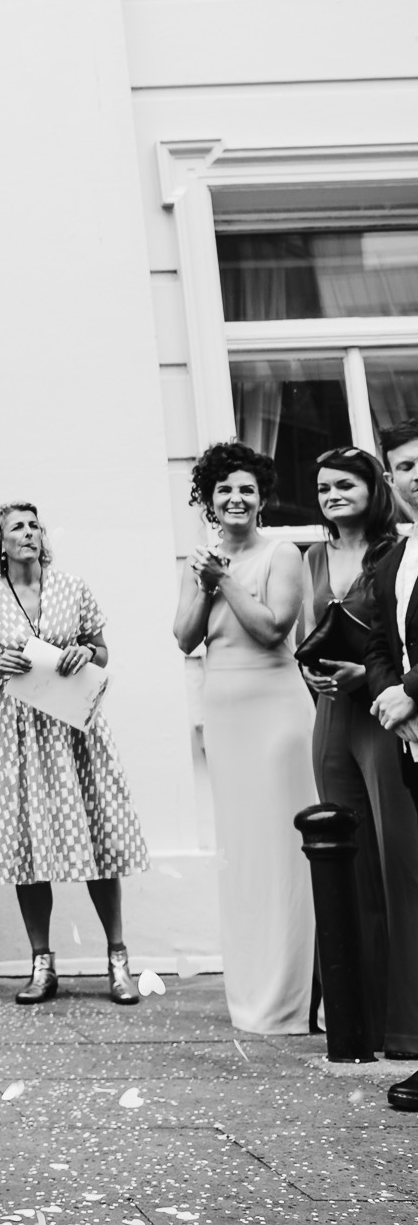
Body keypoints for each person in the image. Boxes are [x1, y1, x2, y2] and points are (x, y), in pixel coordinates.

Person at [0, 502, 149, 1006]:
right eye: (16, 527)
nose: (28, 533)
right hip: (17, 733)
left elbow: (103, 651)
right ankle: (42, 964)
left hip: (75, 731)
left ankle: (118, 959)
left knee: (96, 840)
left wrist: (87, 652)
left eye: (33, 525)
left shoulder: (72, 587)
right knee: (29, 849)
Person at [172, 440, 316, 1037]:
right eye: (224, 489)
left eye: (247, 490)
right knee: (244, 855)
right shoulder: (198, 562)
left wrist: (222, 578)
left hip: (277, 713)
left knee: (284, 851)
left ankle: (295, 999)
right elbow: (184, 637)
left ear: (261, 500)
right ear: (208, 500)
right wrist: (205, 582)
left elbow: (271, 628)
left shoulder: (282, 554)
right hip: (226, 715)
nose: (236, 498)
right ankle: (253, 994)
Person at [299, 446, 418, 1060]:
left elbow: (395, 639)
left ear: (375, 486)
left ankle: (406, 1023)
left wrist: (366, 679)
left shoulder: (398, 551)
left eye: (345, 483)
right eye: (322, 488)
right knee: (344, 860)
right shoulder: (312, 556)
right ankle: (358, 1020)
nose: (332, 495)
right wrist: (315, 678)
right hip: (330, 715)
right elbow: (303, 636)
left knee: (397, 858)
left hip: (381, 710)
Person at [362, 420, 418, 1111]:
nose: (413, 474)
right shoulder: (393, 555)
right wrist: (388, 696)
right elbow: (380, 636)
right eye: (402, 466)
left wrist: (413, 687)